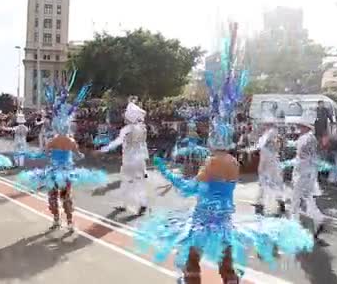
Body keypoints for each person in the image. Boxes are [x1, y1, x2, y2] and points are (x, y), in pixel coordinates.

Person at [134, 35, 314, 283]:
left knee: (192, 260)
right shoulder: (233, 161)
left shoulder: (213, 161)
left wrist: (165, 171)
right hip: (225, 218)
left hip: (205, 218)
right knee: (226, 263)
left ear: (214, 139)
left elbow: (189, 188)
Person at [18, 81, 105, 230]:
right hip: (66, 172)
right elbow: (78, 156)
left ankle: (56, 220)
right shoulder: (71, 141)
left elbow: (43, 153)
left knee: (53, 196)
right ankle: (70, 222)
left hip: (53, 172)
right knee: (66, 197)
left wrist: (36, 154)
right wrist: (79, 155)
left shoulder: (52, 141)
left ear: (56, 126)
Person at [101, 97, 150, 215]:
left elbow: (117, 142)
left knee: (126, 182)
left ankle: (125, 204)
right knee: (139, 182)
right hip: (139, 159)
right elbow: (143, 145)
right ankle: (142, 204)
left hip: (129, 159)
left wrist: (104, 149)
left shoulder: (127, 129)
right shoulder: (143, 128)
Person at [290, 115, 326, 238]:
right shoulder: (312, 138)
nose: (298, 128)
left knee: (296, 197)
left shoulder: (304, 139)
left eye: (300, 126)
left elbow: (301, 155)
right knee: (307, 197)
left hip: (303, 171)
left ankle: (293, 222)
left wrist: (294, 164)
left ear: (304, 127)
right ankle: (318, 219)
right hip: (310, 171)